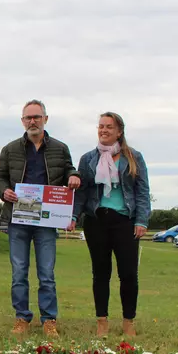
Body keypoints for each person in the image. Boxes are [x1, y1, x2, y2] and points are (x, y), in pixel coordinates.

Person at [0, 100, 81, 338]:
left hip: (46, 220)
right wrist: (4, 191)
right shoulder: (10, 149)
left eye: (37, 117)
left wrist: (74, 176)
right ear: (22, 121)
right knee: (19, 271)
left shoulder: (60, 148)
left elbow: (68, 169)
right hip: (18, 218)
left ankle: (49, 319)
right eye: (28, 117)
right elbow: (0, 177)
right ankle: (22, 317)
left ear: (45, 119)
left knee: (46, 273)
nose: (32, 121)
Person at [70, 112, 151, 337]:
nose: (103, 130)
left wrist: (142, 220)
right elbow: (83, 191)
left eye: (109, 127)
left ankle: (128, 322)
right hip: (97, 221)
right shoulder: (88, 159)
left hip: (125, 221)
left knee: (128, 273)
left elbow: (142, 191)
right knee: (100, 273)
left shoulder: (133, 157)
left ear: (119, 131)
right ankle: (102, 321)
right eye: (100, 126)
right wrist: (74, 216)